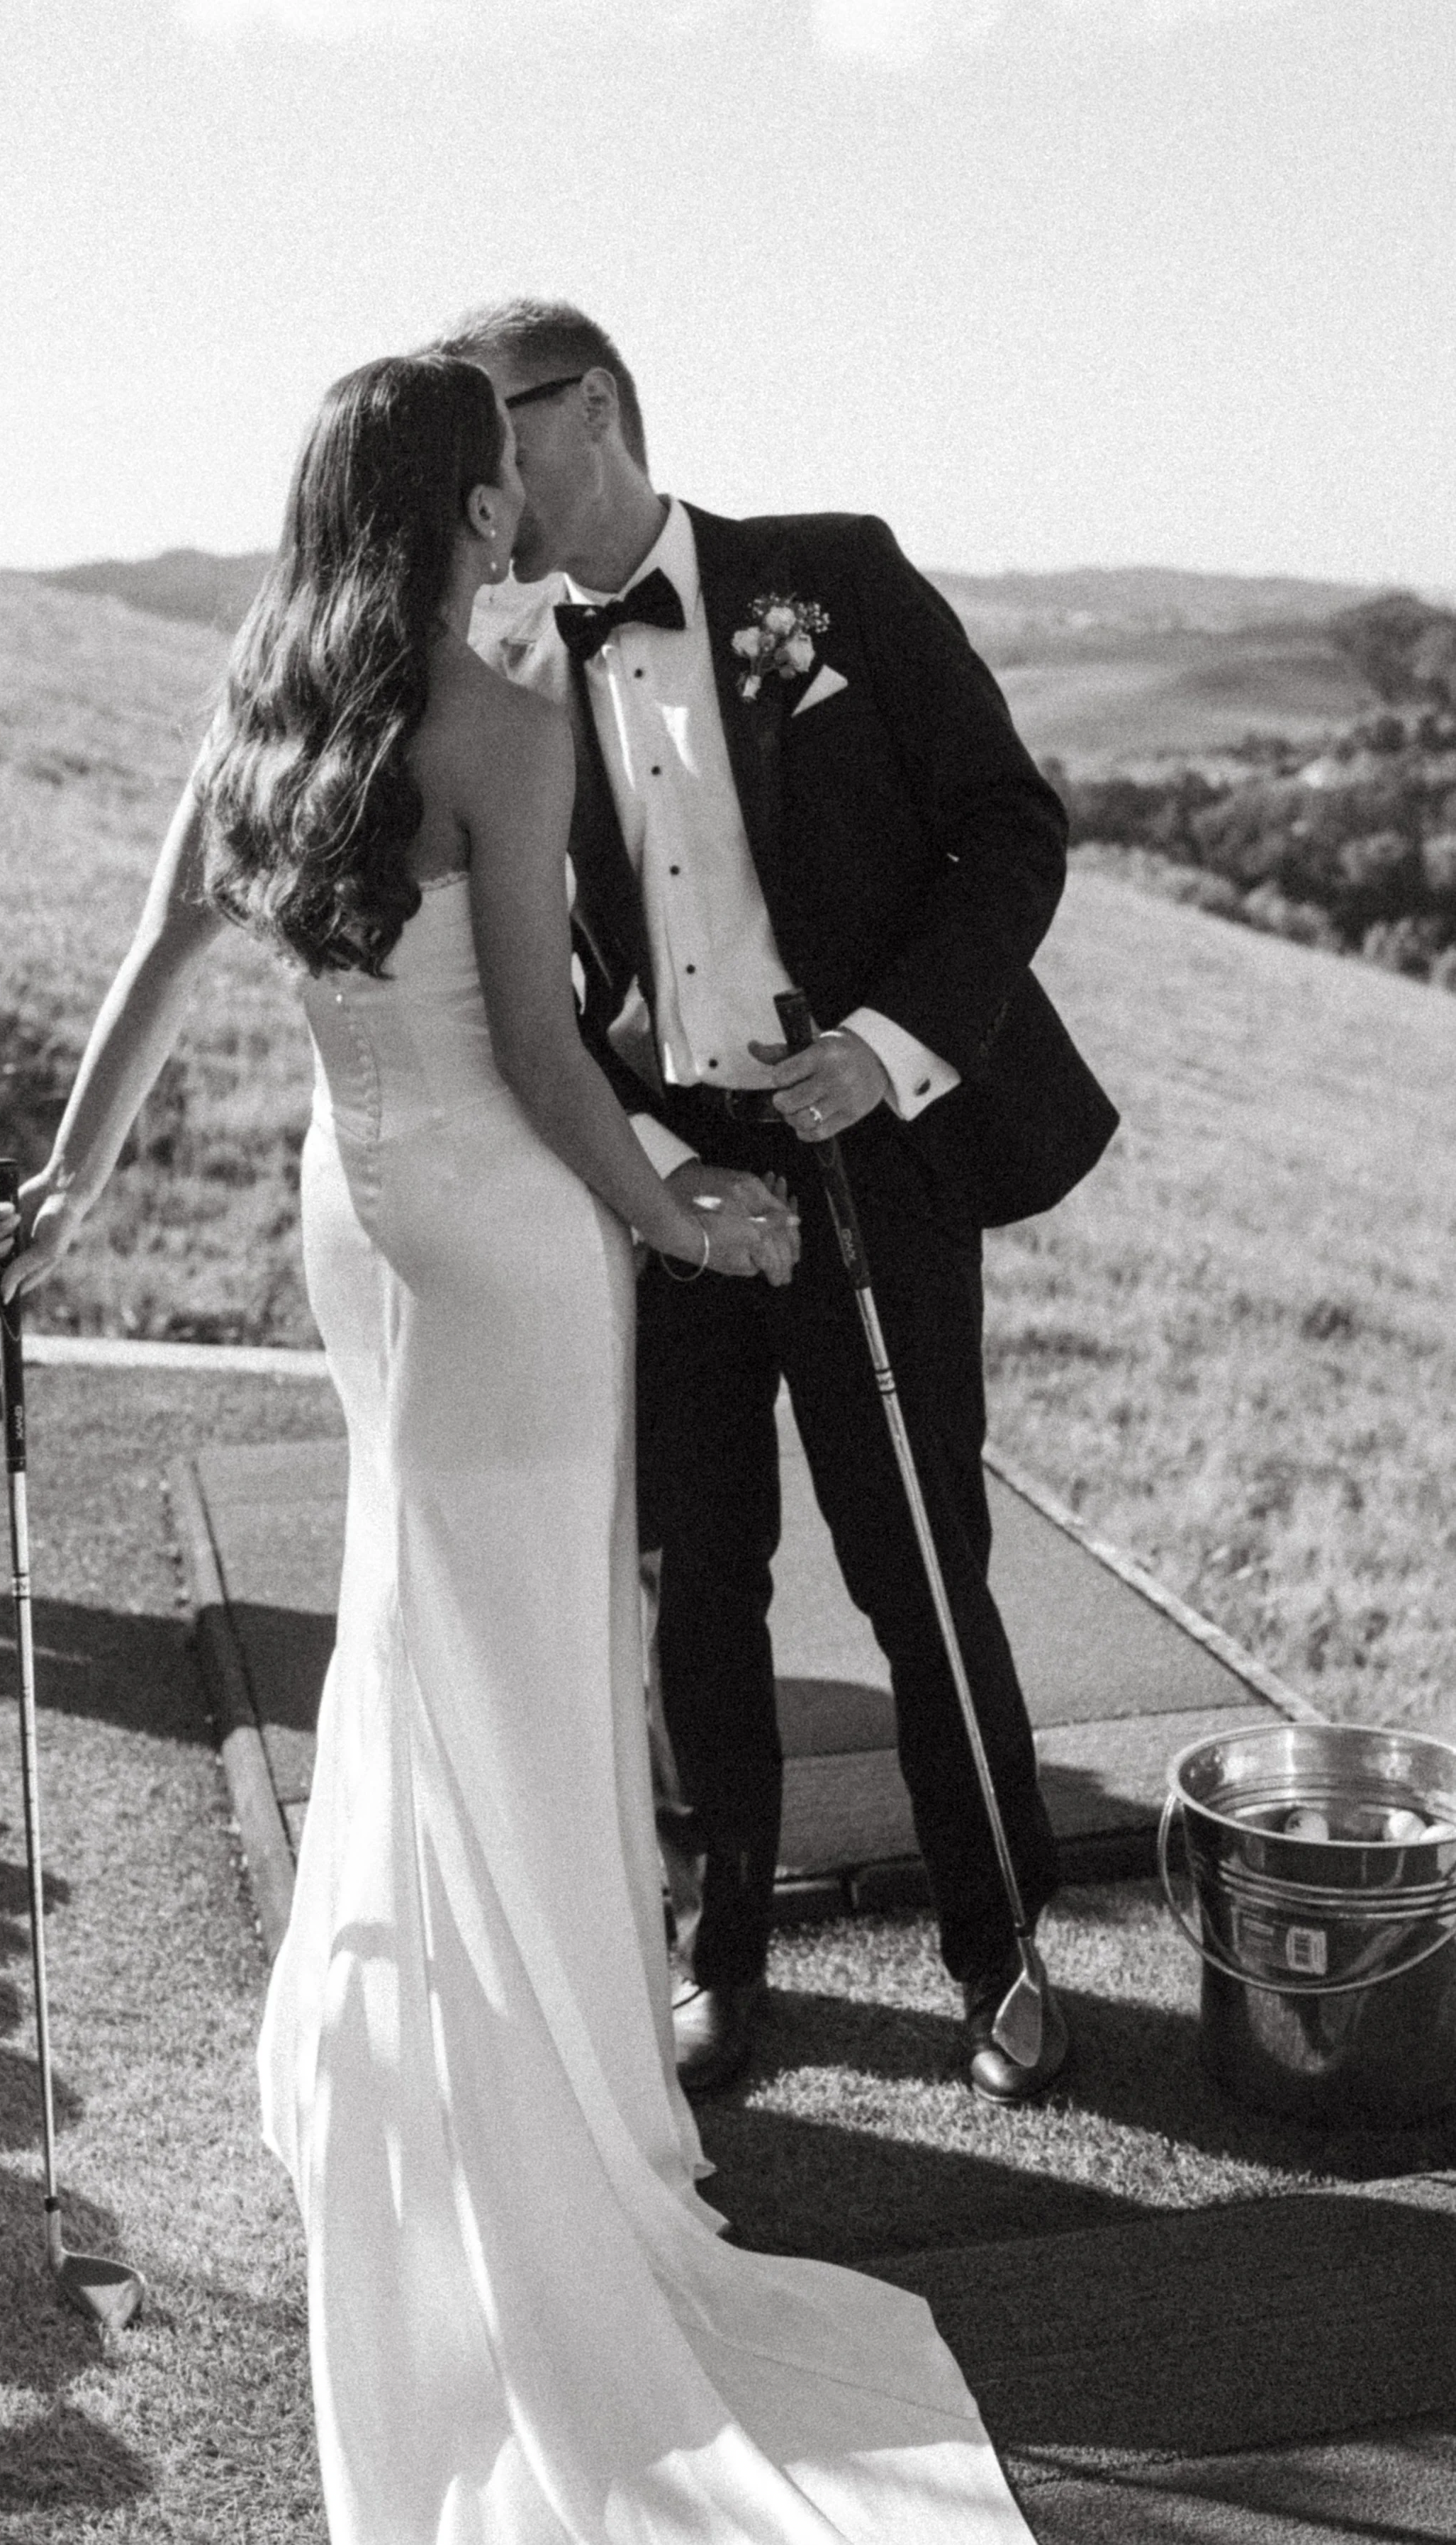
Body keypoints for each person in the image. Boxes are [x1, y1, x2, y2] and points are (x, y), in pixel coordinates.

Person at [0, 352, 1039, 2544]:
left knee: (415, 1633)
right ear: (464, 511)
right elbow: (553, 1064)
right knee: (537, 1663)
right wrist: (679, 1207)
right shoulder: (502, 723)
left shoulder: (262, 713)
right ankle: (561, 2093)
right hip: (518, 1251)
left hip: (355, 1230)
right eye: (489, 497)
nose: (508, 527)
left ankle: (454, 2056)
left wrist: (65, 1188)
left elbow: (158, 967)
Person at [433, 299, 1119, 2101]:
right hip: (667, 1182)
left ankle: (999, 1945)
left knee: (915, 1566)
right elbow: (539, 973)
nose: (480, 481)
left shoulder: (831, 578)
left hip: (869, 1158)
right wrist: (653, 1164)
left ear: (591, 407)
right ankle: (716, 1948)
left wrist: (889, 1047)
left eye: (496, 431)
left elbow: (1008, 825)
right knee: (695, 1571)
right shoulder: (498, 668)